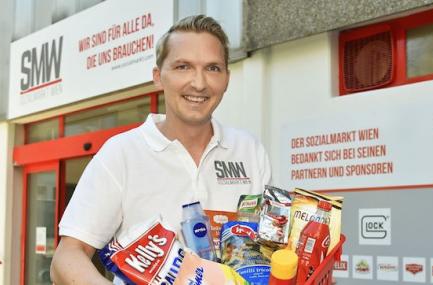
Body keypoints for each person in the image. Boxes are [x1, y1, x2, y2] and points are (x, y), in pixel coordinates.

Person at [50, 15, 271, 284]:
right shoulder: (122, 153)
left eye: (212, 68)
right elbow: (67, 257)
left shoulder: (249, 150)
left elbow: (271, 247)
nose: (199, 83)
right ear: (158, 77)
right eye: (183, 67)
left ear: (226, 78)